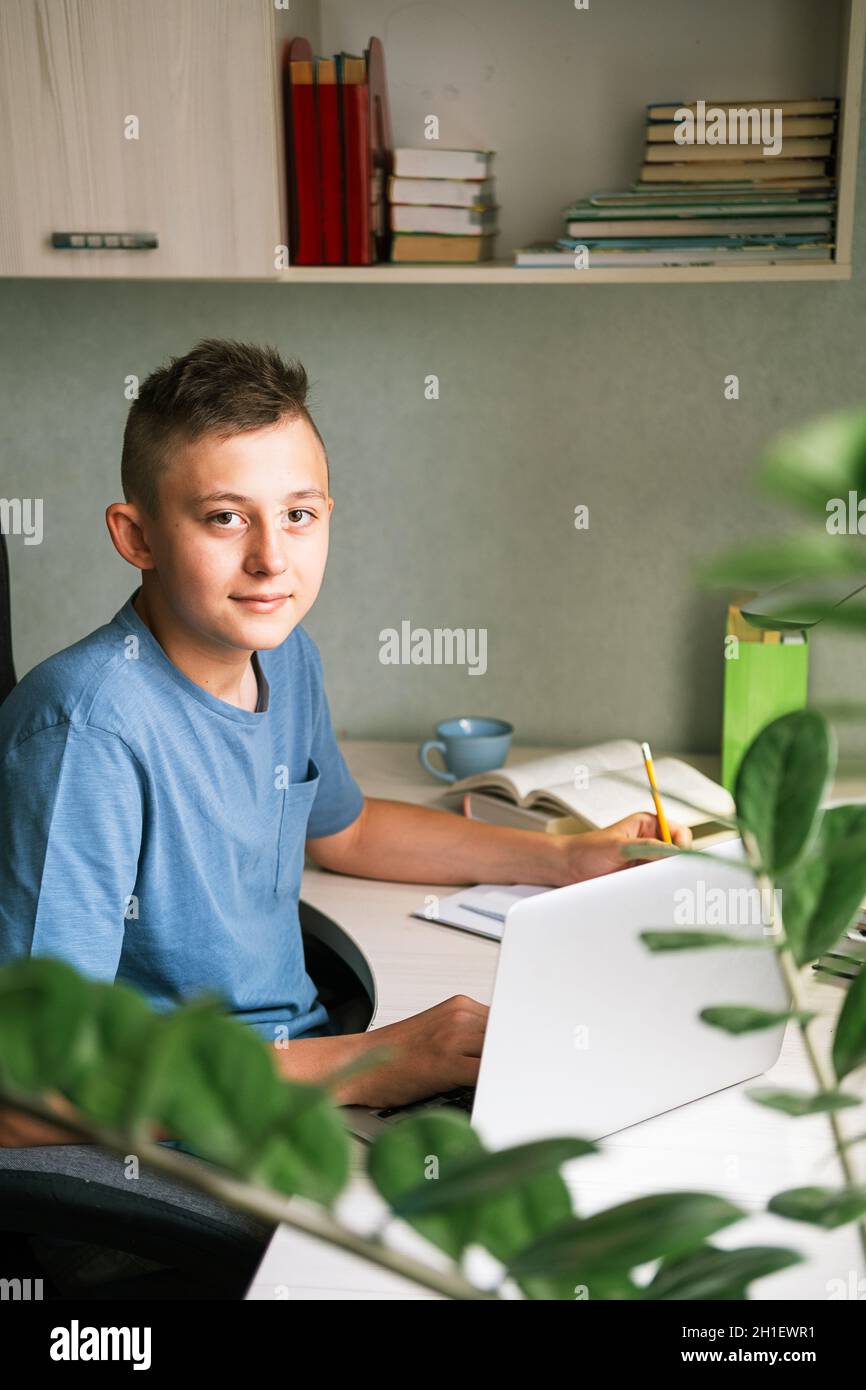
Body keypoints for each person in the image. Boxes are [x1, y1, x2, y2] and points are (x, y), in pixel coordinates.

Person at [0, 338, 690, 1151]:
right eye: (225, 517)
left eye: (298, 514)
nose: (270, 559)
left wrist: (564, 861)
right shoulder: (87, 733)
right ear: (137, 535)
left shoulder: (283, 656)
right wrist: (368, 1062)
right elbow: (31, 1098)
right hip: (172, 1157)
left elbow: (349, 831)